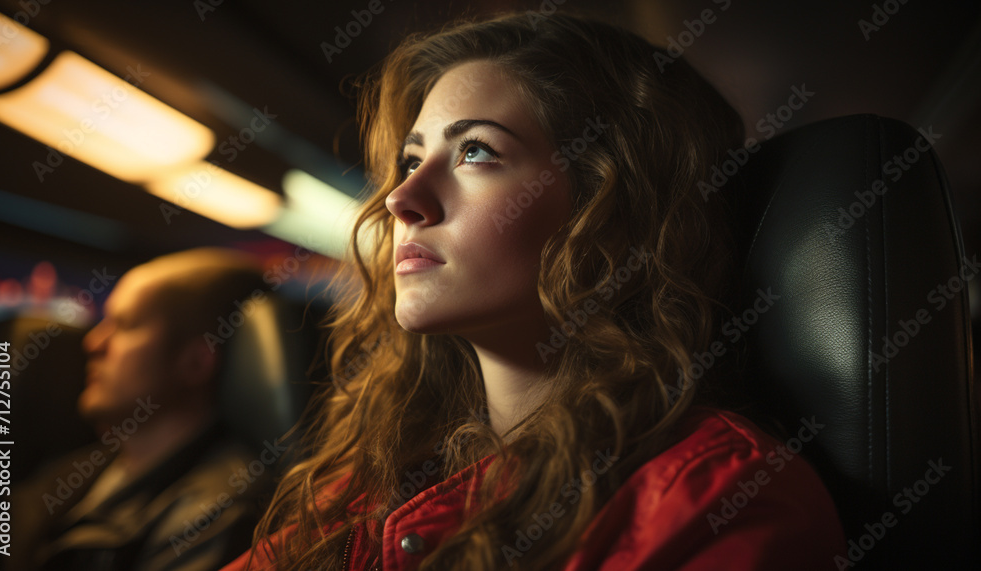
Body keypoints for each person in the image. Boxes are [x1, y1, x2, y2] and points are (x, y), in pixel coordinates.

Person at [223, 12, 846, 571]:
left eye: (475, 151)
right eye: (412, 160)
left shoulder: (721, 499)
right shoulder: (362, 480)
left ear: (613, 209)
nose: (401, 199)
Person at [0, 248, 273, 571]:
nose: (94, 343)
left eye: (124, 325)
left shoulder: (217, 512)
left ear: (195, 361)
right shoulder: (75, 470)